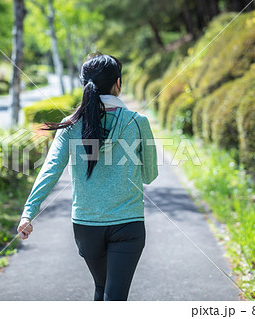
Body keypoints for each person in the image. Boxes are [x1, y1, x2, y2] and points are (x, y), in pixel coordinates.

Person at [17, 53, 158, 301]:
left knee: (102, 289)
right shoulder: (138, 122)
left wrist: (29, 212)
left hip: (86, 225)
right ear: (118, 83)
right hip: (128, 223)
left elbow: (50, 168)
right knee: (114, 296)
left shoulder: (70, 125)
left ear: (86, 85)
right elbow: (149, 175)